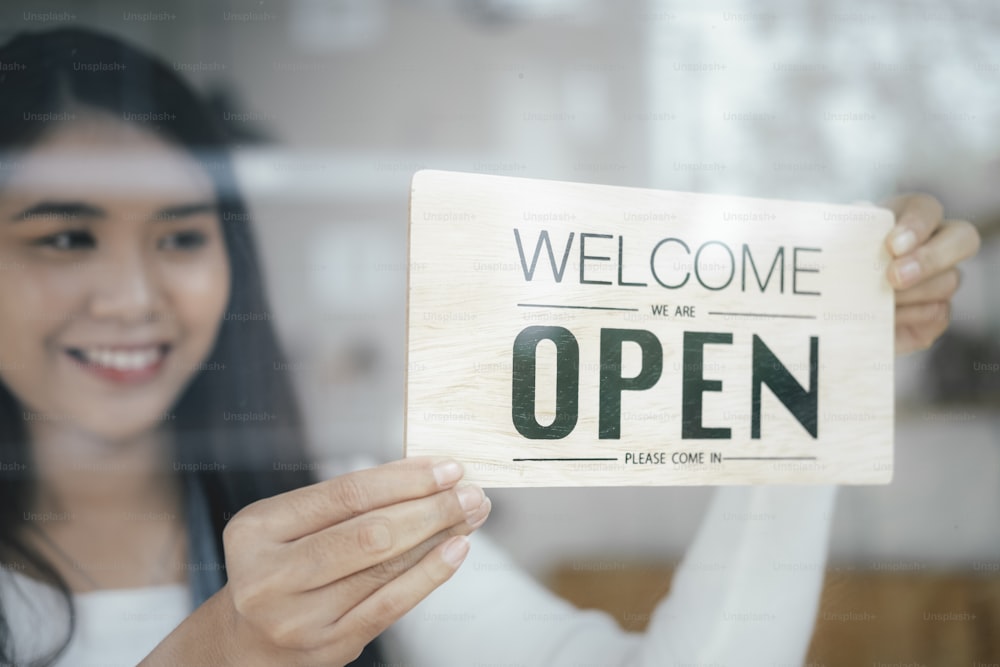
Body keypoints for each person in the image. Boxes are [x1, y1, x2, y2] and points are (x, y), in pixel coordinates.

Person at [0, 28, 980, 667]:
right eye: (64, 235)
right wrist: (218, 649)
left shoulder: (338, 506)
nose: (133, 295)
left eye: (180, 236)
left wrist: (805, 362)